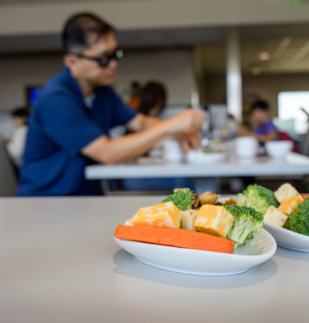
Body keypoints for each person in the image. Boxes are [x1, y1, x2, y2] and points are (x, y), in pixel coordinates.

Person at [18, 12, 204, 196]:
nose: (113, 64)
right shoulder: (55, 98)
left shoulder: (102, 91)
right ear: (72, 62)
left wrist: (178, 133)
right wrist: (171, 126)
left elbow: (139, 122)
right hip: (48, 200)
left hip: (86, 197)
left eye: (116, 54)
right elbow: (106, 152)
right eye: (103, 59)